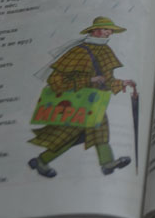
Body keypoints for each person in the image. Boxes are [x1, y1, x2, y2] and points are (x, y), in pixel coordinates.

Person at [28, 16, 136, 178]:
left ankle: (107, 163)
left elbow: (106, 80)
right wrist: (88, 80)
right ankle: (41, 160)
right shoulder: (78, 51)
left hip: (94, 102)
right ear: (95, 31)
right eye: (106, 29)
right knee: (68, 136)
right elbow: (55, 81)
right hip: (74, 103)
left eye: (110, 30)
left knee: (100, 131)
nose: (109, 33)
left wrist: (122, 83)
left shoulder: (106, 51)